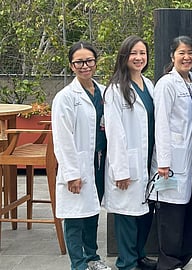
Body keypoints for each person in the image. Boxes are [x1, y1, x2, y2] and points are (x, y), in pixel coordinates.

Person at [52, 41, 110, 270]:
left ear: (95, 63)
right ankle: (78, 264)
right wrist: (71, 173)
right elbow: (63, 139)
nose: (85, 66)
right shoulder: (65, 97)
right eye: (79, 62)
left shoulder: (105, 91)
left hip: (99, 161)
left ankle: (93, 258)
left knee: (92, 211)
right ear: (71, 66)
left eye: (89, 61)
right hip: (77, 163)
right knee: (75, 215)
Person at [103, 35, 156, 270]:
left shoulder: (150, 84)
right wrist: (120, 170)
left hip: (148, 161)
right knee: (127, 216)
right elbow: (114, 134)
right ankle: (127, 262)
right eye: (133, 53)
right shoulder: (115, 90)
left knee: (145, 212)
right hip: (128, 162)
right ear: (124, 57)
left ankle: (140, 255)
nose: (138, 57)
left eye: (142, 53)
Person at [149, 35, 192, 270]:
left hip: (191, 156)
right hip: (170, 159)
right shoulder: (166, 84)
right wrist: (163, 162)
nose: (186, 57)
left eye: (190, 52)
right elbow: (160, 123)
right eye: (181, 53)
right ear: (172, 56)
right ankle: (168, 262)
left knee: (187, 208)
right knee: (171, 211)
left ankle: (184, 255)